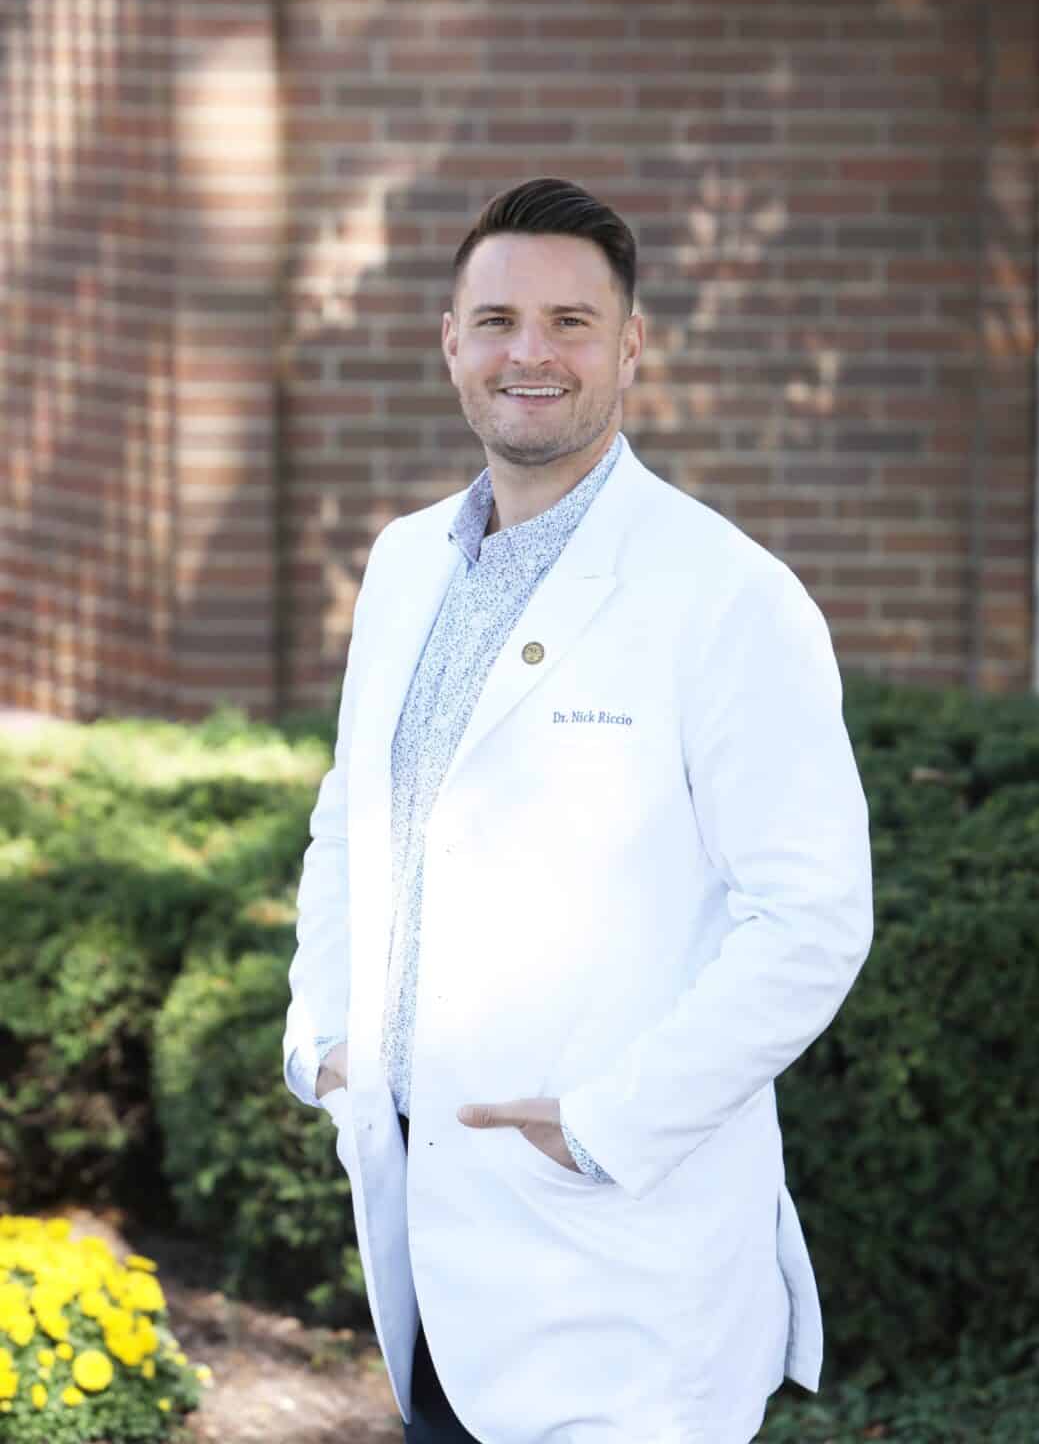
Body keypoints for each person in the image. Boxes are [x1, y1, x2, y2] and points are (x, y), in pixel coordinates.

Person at [282, 176, 874, 1444]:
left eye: (569, 321)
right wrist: (323, 1032)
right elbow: (354, 818)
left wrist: (608, 1124)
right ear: (449, 340)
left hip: (619, 1268)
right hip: (427, 1243)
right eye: (495, 320)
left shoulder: (728, 598)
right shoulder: (401, 565)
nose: (528, 354)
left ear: (629, 346)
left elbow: (809, 921)